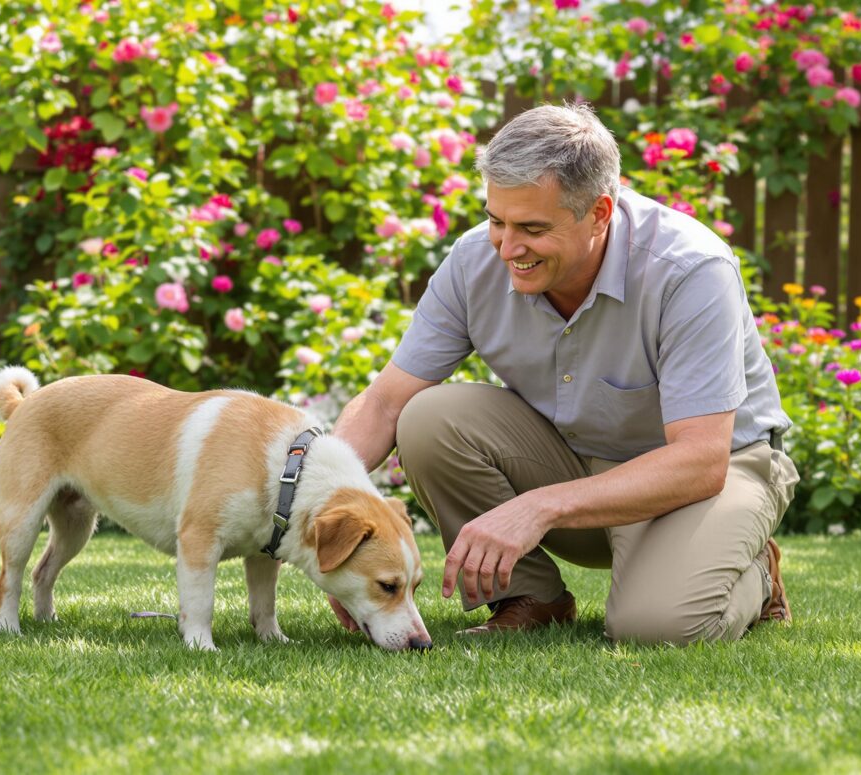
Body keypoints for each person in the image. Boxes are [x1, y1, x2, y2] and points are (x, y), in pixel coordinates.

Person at [329, 103, 799, 644]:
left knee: (657, 627)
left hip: (710, 474)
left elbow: (701, 459)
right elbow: (385, 404)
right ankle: (531, 598)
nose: (508, 247)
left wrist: (538, 507)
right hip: (575, 461)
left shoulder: (689, 270)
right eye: (495, 220)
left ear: (599, 212)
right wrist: (318, 513)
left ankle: (756, 572)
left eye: (532, 228)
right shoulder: (472, 262)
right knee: (426, 417)